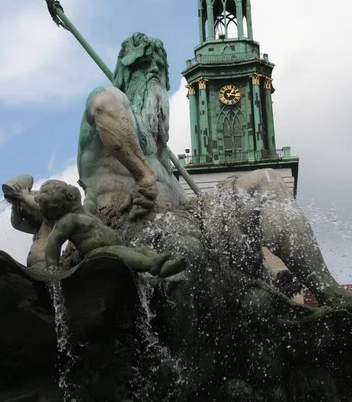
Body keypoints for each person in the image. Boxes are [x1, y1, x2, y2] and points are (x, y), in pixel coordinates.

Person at [77, 32, 352, 308]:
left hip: (181, 221)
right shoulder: (111, 101)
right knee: (189, 252)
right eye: (146, 69)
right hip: (130, 228)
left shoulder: (161, 157)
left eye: (159, 73)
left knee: (264, 182)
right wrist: (143, 174)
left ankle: (329, 294)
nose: (154, 77)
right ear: (127, 75)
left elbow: (189, 209)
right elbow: (104, 107)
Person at [37, 179, 186, 278]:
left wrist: (87, 187)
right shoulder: (68, 220)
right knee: (122, 252)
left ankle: (162, 267)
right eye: (69, 187)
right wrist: (52, 265)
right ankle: (151, 265)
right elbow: (54, 240)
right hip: (97, 254)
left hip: (113, 247)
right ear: (70, 196)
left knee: (140, 250)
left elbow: (91, 199)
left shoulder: (86, 211)